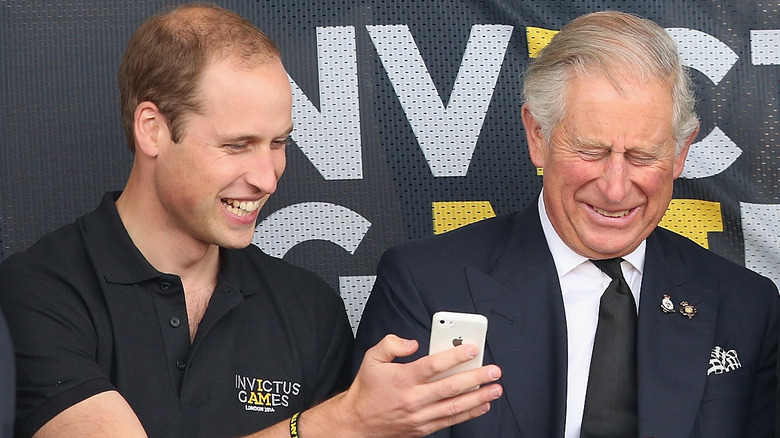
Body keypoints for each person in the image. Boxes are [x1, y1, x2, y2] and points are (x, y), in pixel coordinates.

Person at [0, 3, 503, 437]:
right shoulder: (36, 292)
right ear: (153, 129)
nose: (267, 177)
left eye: (279, 143)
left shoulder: (308, 309)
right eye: (237, 145)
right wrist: (338, 424)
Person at [354, 10, 780, 438]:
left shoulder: (746, 305)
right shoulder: (424, 286)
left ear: (680, 151)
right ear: (538, 136)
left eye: (642, 156)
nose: (615, 189)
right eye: (591, 151)